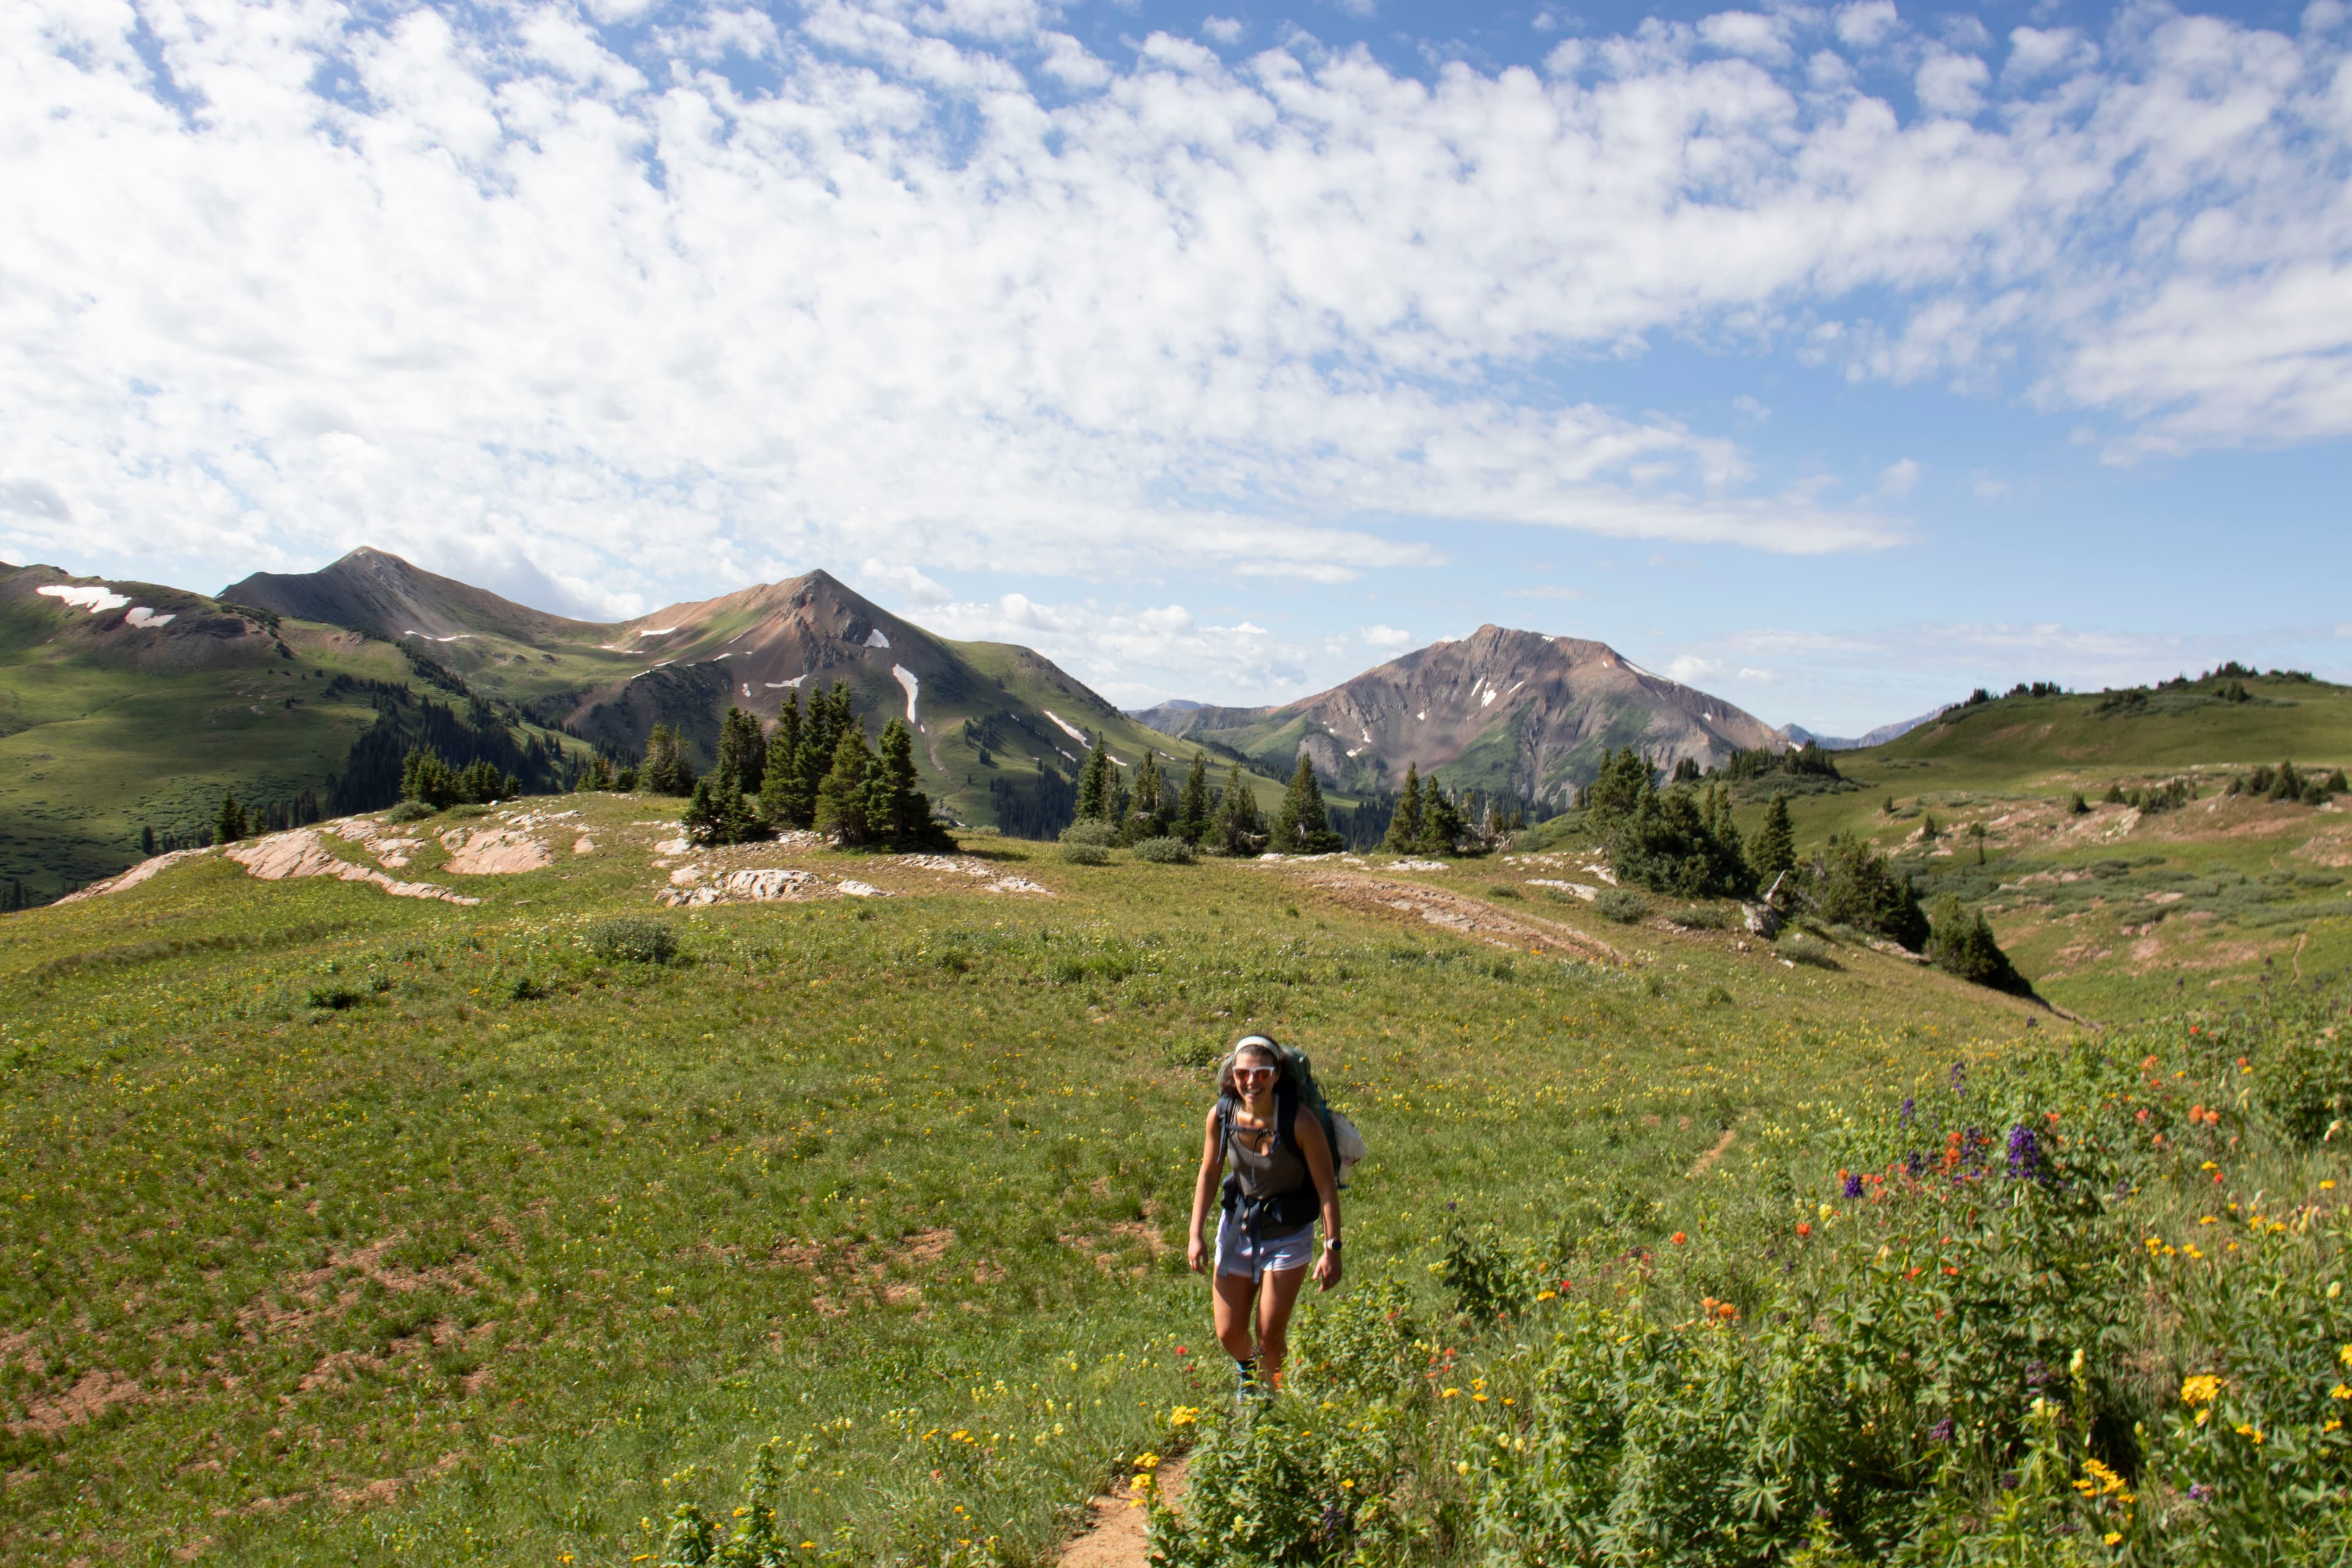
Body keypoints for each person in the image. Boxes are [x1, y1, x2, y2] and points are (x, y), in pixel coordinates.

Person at [1186, 1034, 1341, 1396]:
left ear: (1276, 1076)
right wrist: (1196, 1234)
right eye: (1243, 1074)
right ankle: (1248, 1373)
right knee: (1228, 1332)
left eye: (1262, 1073)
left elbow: (1326, 1187)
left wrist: (1332, 1247)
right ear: (1232, 1075)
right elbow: (1209, 1173)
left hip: (1288, 1233)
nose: (1252, 1082)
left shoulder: (1299, 1122)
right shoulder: (1222, 1115)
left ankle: (1271, 1406)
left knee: (1269, 1334)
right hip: (1238, 1230)